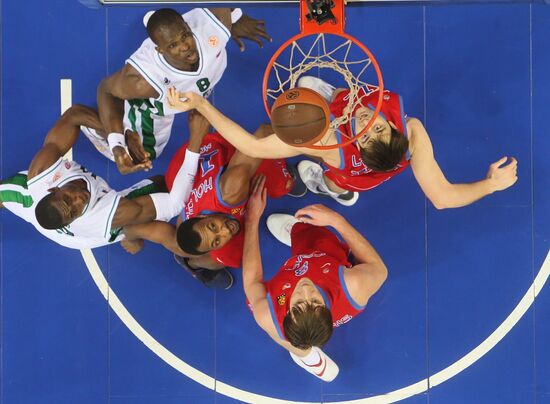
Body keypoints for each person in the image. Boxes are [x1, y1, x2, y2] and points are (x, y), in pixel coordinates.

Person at [165, 77, 518, 208]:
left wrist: (201, 104)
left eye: (365, 137)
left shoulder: (330, 144)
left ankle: (332, 188)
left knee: (334, 178)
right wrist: (489, 184)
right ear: (395, 131)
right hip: (382, 164)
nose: (366, 124)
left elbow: (255, 148)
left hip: (347, 172)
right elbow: (441, 196)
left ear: (356, 146)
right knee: (319, 88)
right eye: (380, 130)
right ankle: (330, 100)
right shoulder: (411, 130)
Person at [122, 117, 304, 289]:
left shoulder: (232, 188)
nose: (225, 231)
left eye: (213, 226)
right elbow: (142, 232)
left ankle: (278, 172)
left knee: (283, 184)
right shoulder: (182, 230)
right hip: (182, 180)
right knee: (226, 257)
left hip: (199, 155)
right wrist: (130, 238)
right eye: (217, 241)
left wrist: (300, 145)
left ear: (200, 216)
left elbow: (265, 131)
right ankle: (193, 264)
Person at [91, 7, 271, 174]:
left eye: (185, 36)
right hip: (160, 103)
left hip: (198, 83)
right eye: (173, 45)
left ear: (188, 26)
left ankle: (159, 23)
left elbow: (225, 11)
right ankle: (94, 123)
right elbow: (106, 90)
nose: (185, 46)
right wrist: (117, 145)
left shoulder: (213, 24)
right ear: (160, 50)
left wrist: (236, 20)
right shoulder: (143, 81)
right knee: (145, 153)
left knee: (174, 32)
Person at [242, 177, 388, 381]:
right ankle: (308, 355)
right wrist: (337, 220)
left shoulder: (273, 310)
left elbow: (251, 282)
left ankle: (306, 357)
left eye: (299, 302)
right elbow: (379, 269)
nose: (305, 290)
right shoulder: (352, 285)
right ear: (327, 309)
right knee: (316, 235)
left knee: (283, 336)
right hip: (323, 257)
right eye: (315, 301)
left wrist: (252, 220)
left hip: (295, 277)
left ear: (288, 312)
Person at [0, 105, 203, 249]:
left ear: (54, 189)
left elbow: (73, 115)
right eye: (74, 210)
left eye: (68, 199)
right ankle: (191, 265)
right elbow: (175, 203)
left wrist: (120, 143)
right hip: (85, 234)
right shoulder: (102, 216)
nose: (79, 200)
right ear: (72, 220)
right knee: (159, 186)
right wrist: (195, 141)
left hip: (31, 201)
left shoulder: (42, 172)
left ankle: (130, 234)